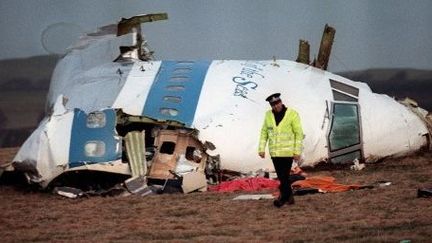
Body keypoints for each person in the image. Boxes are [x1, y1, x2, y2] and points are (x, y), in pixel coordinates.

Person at [258, 93, 304, 208]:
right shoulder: (268, 115)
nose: (276, 106)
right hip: (275, 153)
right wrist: (261, 148)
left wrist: (297, 152)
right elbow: (264, 132)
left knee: (283, 177)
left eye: (277, 103)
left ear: (281, 102)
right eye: (273, 104)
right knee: (282, 177)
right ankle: (290, 198)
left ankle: (282, 199)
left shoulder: (292, 114)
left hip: (287, 152)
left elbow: (298, 134)